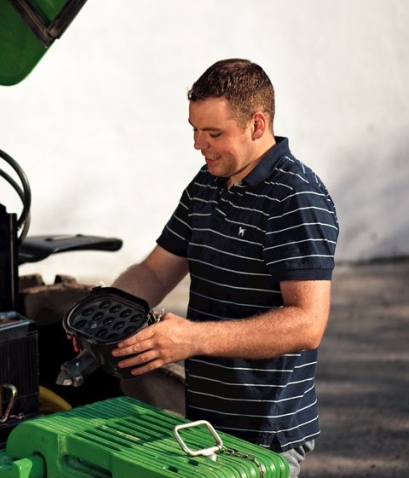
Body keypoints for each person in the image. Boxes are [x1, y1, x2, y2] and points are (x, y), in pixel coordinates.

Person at [107, 58, 338, 477]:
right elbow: (157, 271)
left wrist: (193, 339)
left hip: (266, 432)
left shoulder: (295, 197)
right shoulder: (206, 183)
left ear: (257, 124)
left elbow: (307, 323)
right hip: (204, 421)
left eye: (214, 133)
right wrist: (107, 310)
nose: (199, 144)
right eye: (194, 130)